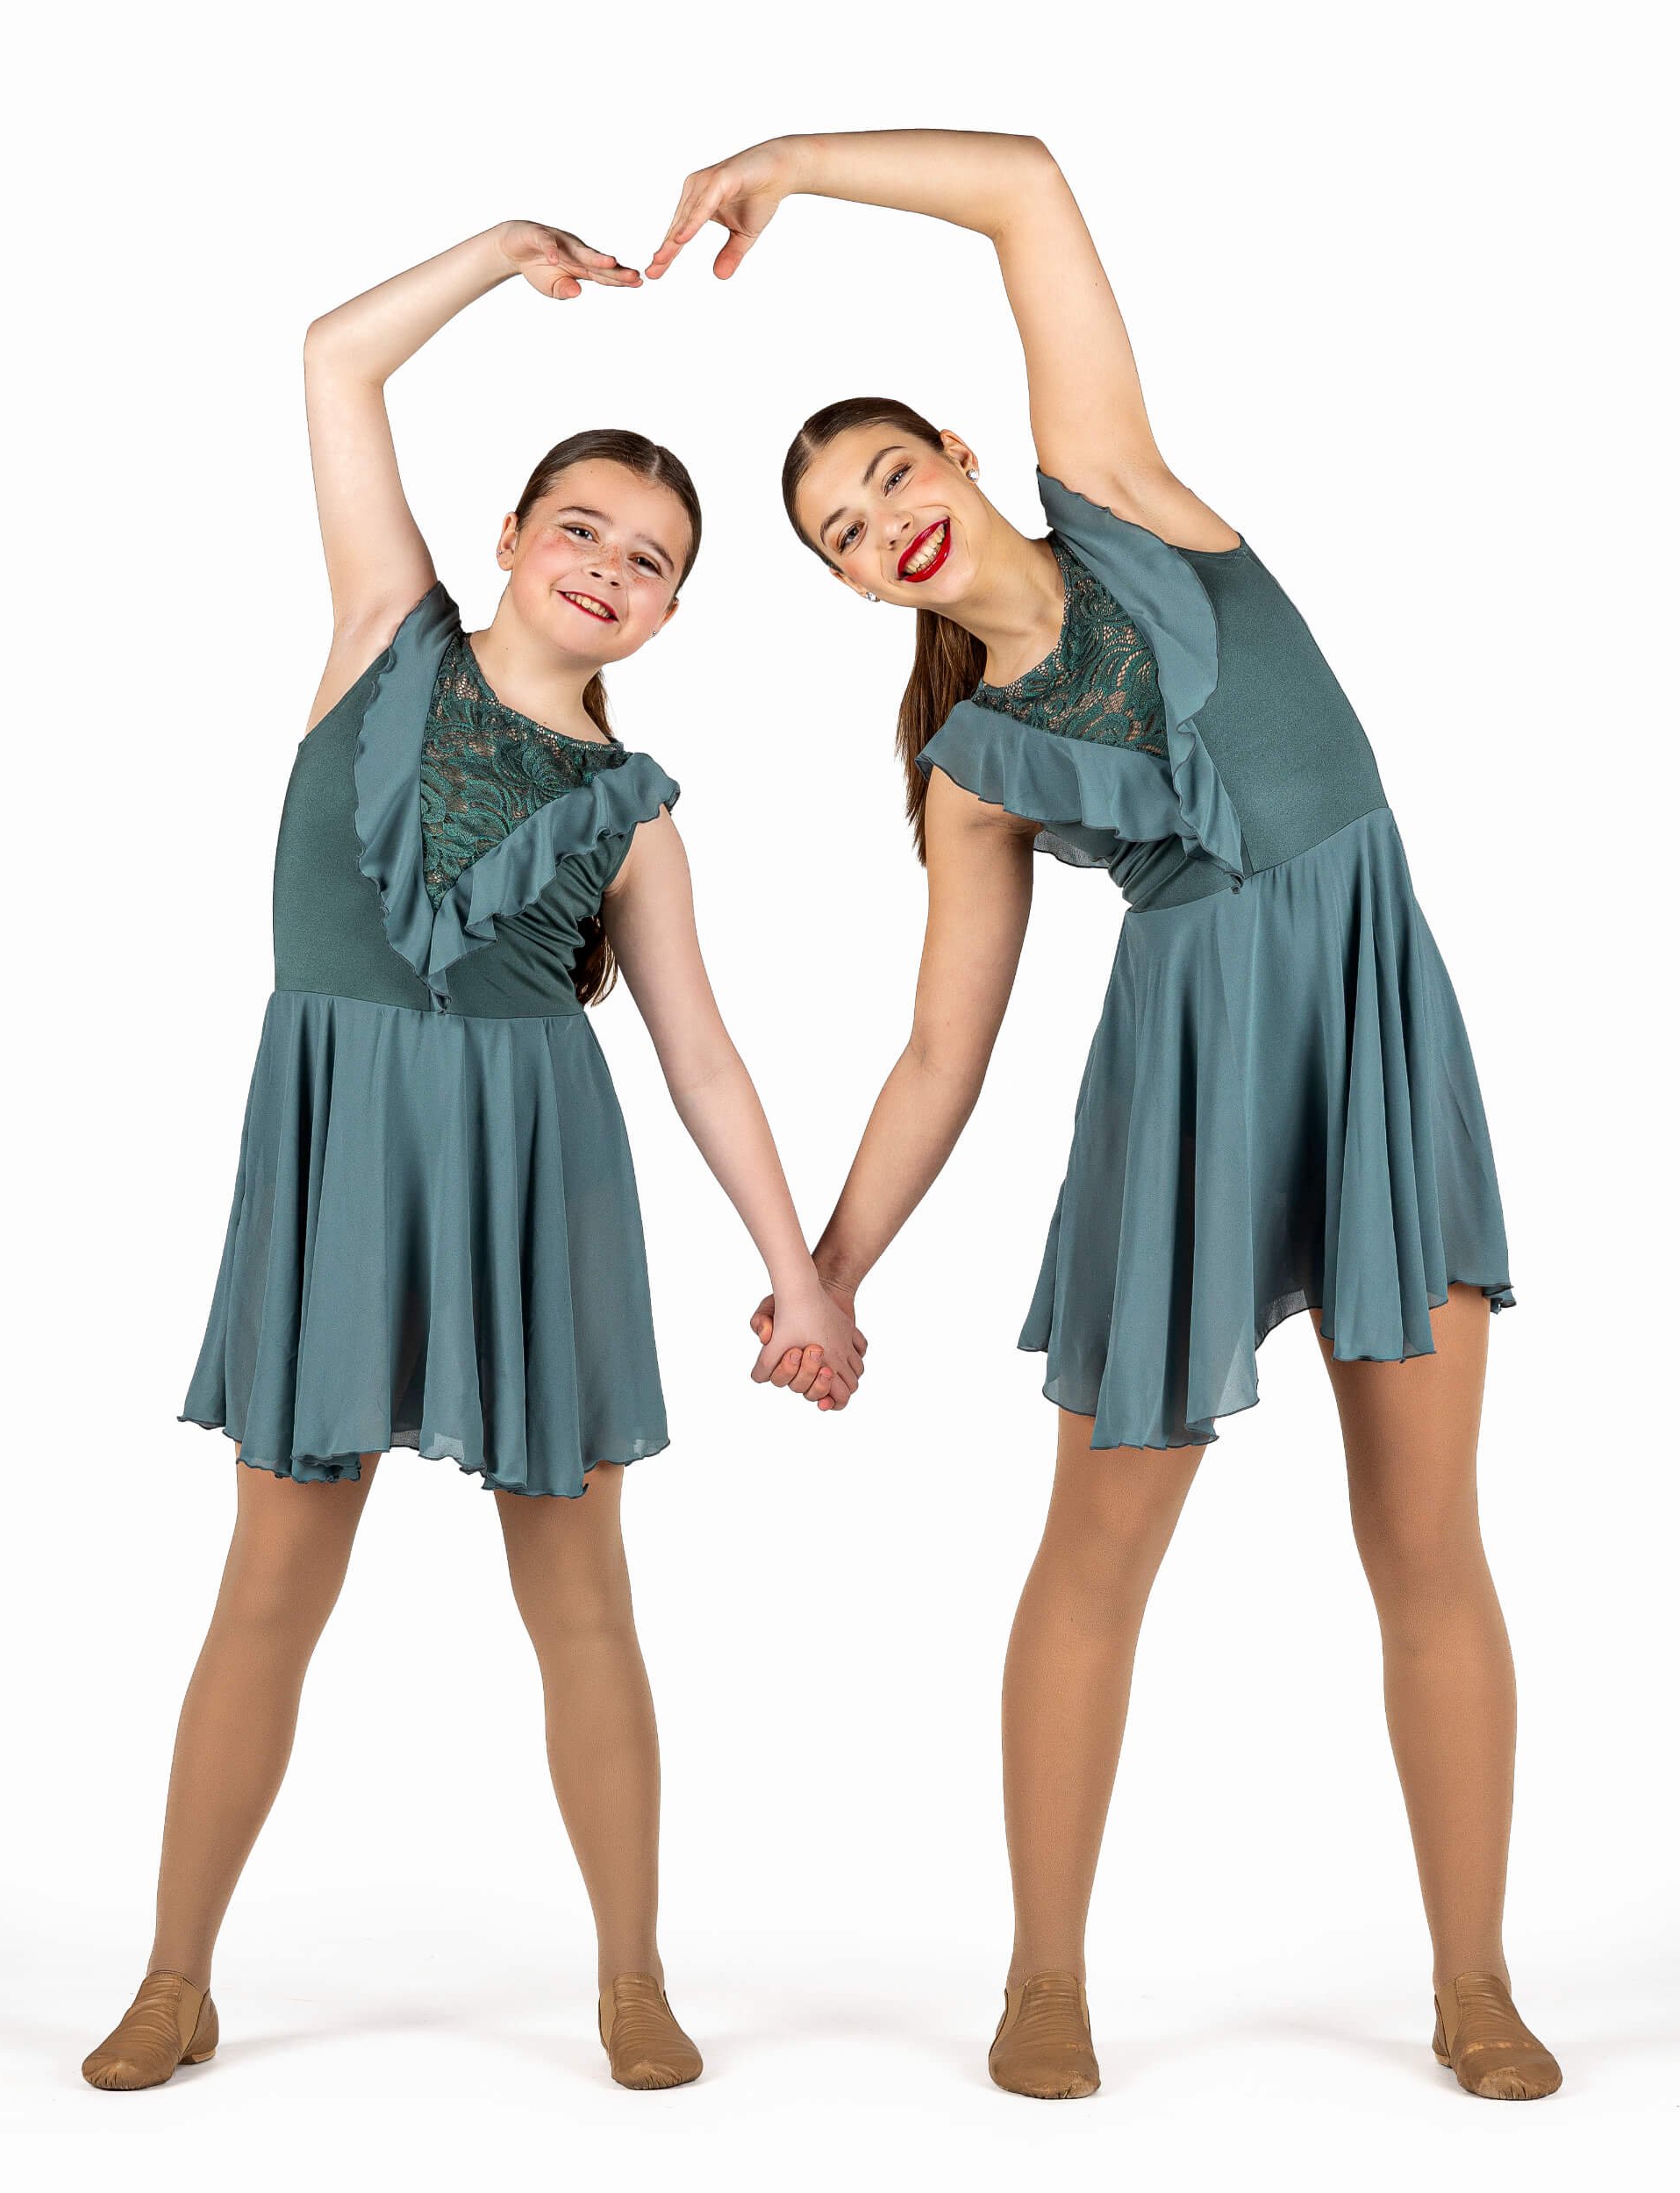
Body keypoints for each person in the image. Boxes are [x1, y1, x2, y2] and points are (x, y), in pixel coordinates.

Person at [650, 130, 1561, 2103]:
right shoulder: (972, 763)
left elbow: (1029, 188)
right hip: (1180, 1099)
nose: (874, 520)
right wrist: (821, 1267)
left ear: (965, 458)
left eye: (888, 472)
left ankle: (1472, 1978)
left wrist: (792, 159)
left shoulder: (1132, 501)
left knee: (1425, 1535)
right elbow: (937, 1056)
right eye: (829, 529)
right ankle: (1041, 1973)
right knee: (1097, 1551)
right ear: (833, 580)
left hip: (1374, 1041)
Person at [82, 217, 862, 2096]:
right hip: (342, 1152)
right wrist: (500, 256)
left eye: (653, 562)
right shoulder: (384, 633)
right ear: (510, 537)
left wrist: (803, 1266)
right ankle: (175, 1972)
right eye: (582, 527)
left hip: (535, 1171)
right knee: (270, 1576)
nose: (609, 566)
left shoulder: (635, 809)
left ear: (671, 618)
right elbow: (335, 358)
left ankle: (630, 1972)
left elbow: (698, 1053)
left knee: (578, 1589)